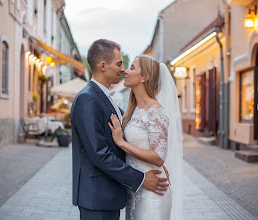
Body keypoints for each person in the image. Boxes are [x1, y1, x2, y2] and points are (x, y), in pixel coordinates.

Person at [71, 39, 169, 220]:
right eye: (119, 64)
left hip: (112, 195)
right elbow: (99, 154)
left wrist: (157, 164)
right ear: (102, 66)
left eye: (127, 66)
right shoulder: (88, 99)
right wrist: (140, 178)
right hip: (97, 197)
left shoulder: (107, 99)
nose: (123, 69)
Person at [109, 55, 184, 219]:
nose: (125, 71)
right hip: (136, 188)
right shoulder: (133, 109)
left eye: (132, 68)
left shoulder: (156, 112)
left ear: (145, 77)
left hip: (154, 192)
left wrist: (121, 142)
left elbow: (158, 158)